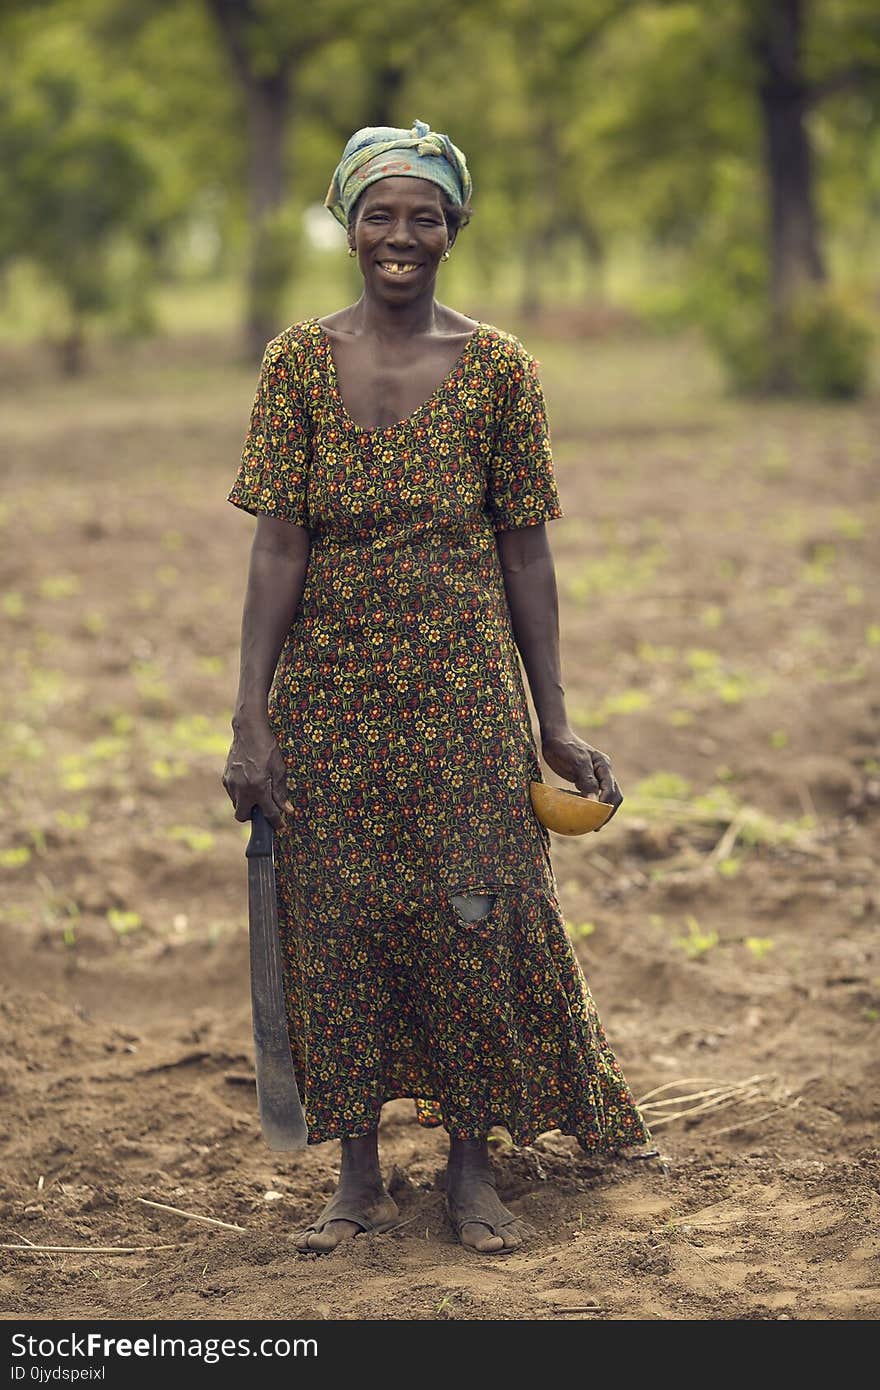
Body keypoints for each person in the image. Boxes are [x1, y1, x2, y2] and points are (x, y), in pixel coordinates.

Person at [222, 119, 653, 1256]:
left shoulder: (501, 367)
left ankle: (472, 1166)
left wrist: (551, 718)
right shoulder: (295, 364)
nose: (399, 236)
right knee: (338, 922)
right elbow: (277, 547)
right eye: (379, 214)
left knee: (475, 916)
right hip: (330, 699)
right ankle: (355, 1174)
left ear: (453, 230)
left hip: (463, 697)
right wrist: (250, 716)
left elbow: (525, 552)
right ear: (347, 225)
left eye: (424, 215)